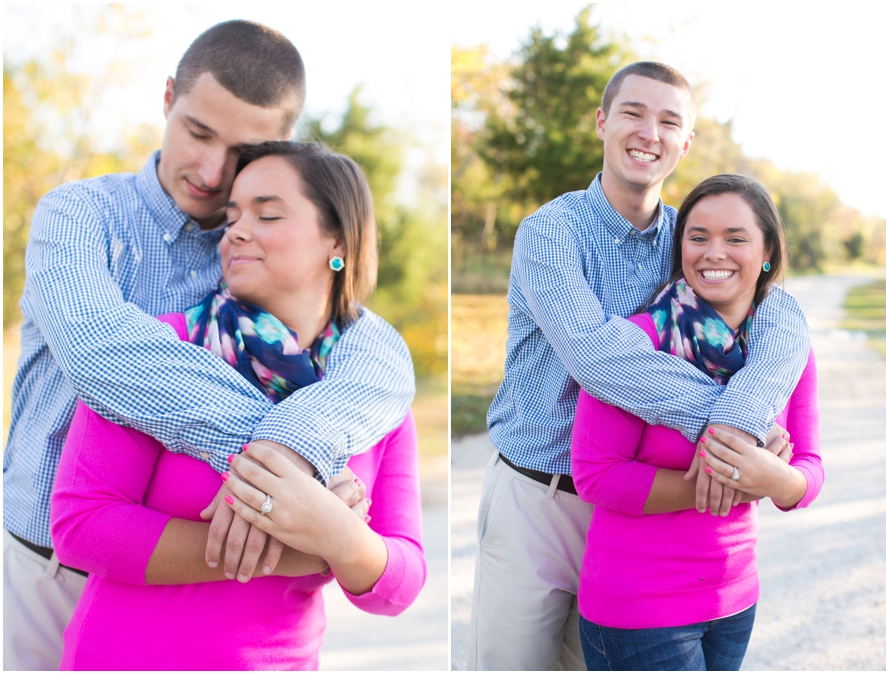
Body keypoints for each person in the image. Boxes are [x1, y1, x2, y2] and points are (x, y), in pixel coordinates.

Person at [4, 21, 414, 671]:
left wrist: (300, 466)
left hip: (188, 594)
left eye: (243, 149)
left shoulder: (258, 246)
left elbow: (382, 360)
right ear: (168, 98)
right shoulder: (79, 216)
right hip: (43, 567)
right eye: (198, 132)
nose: (212, 170)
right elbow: (101, 352)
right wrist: (287, 466)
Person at [469, 62, 810, 670]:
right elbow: (598, 357)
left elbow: (779, 312)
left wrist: (747, 414)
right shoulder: (551, 232)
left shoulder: (693, 237)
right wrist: (732, 434)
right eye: (633, 113)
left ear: (686, 143)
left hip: (635, 518)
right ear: (603, 123)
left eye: (669, 121)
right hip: (539, 499)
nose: (649, 132)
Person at [571, 174, 824, 670]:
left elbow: (810, 468)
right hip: (639, 604)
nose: (714, 253)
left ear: (767, 251)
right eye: (698, 236)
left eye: (736, 238)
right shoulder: (635, 343)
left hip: (735, 600)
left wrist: (779, 480)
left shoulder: (784, 349)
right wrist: (734, 478)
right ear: (680, 247)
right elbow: (595, 475)